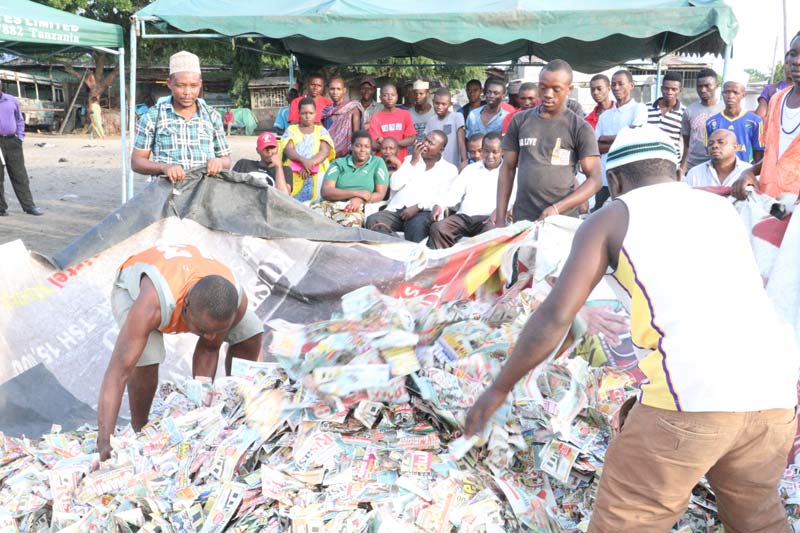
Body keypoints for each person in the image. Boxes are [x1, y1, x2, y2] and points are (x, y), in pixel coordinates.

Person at [465, 125, 800, 532]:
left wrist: (499, 388)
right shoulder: (720, 210)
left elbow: (555, 315)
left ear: (615, 180)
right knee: (758, 519)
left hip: (690, 397)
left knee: (628, 519)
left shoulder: (612, 217)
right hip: (773, 393)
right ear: (676, 171)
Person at [97, 244, 263, 461]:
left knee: (251, 330)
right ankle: (140, 427)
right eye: (204, 330)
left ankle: (237, 406)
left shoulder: (236, 301)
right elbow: (118, 372)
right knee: (147, 357)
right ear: (185, 306)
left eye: (218, 331)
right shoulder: (151, 304)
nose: (211, 337)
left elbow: (210, 349)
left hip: (192, 283)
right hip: (134, 291)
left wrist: (202, 414)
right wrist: (105, 442)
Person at [496, 60, 601, 225]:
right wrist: (500, 219)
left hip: (562, 221)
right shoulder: (519, 121)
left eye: (556, 89)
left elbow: (595, 179)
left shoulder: (580, 128)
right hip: (523, 220)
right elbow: (507, 169)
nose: (548, 94)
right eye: (543, 87)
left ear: (569, 89)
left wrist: (557, 208)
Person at [132, 51, 230, 183]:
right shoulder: (153, 116)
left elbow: (226, 160)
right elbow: (137, 162)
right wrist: (164, 167)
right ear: (169, 84)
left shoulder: (212, 116)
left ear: (200, 84)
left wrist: (218, 162)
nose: (187, 92)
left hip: (204, 190)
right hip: (167, 191)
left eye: (193, 86)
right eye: (180, 86)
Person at [732, 31, 800, 201]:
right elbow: (775, 156)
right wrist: (749, 172)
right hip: (769, 201)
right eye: (793, 54)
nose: (797, 61)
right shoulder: (777, 99)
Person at [365, 130, 458, 242]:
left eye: (430, 143)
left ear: (441, 149)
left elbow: (444, 198)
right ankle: (398, 246)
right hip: (398, 210)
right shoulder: (410, 159)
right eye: (425, 139)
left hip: (423, 213)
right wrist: (413, 162)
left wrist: (419, 206)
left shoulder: (449, 169)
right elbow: (394, 185)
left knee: (417, 227)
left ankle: (407, 250)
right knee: (372, 220)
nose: (425, 144)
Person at [428, 132, 508, 249]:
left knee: (491, 232)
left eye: (494, 152)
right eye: (486, 151)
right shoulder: (470, 169)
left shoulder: (509, 172)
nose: (490, 156)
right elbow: (454, 193)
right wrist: (440, 205)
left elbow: (511, 200)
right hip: (464, 218)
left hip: (488, 219)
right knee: (439, 228)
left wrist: (497, 214)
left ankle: (477, 262)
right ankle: (447, 260)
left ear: (503, 151)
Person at [594, 69, 648, 209]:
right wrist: (624, 138)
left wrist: (605, 138)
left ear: (631, 85)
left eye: (620, 84)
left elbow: (633, 139)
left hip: (629, 177)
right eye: (613, 84)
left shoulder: (639, 109)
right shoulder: (605, 116)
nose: (616, 88)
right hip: (605, 178)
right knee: (600, 215)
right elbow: (596, 147)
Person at [316, 130, 389, 227]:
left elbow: (380, 194)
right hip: (328, 205)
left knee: (351, 228)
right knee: (307, 221)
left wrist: (360, 200)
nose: (363, 150)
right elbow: (326, 191)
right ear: (351, 146)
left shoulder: (377, 163)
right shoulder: (339, 163)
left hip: (353, 209)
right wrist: (358, 193)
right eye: (358, 146)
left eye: (366, 146)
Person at [280, 97, 335, 202]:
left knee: (317, 204)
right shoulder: (291, 130)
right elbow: (288, 149)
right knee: (294, 204)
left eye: (310, 113)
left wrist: (310, 164)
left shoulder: (321, 130)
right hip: (295, 175)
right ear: (299, 114)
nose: (307, 116)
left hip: (318, 175)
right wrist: (303, 161)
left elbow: (325, 151)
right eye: (304, 113)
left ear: (315, 114)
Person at [0, 80, 42, 216]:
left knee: (20, 175)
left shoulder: (11, 100)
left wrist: (20, 137)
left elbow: (19, 119)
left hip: (13, 141)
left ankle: (29, 206)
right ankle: (1, 208)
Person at [705, 75, 764, 164]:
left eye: (735, 92)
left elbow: (759, 152)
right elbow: (708, 150)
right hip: (718, 170)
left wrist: (752, 171)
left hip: (745, 170)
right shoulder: (711, 122)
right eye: (727, 92)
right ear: (722, 93)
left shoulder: (755, 121)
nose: (730, 96)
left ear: (743, 95)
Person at [680, 68, 723, 174]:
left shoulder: (725, 110)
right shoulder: (689, 111)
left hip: (718, 167)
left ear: (717, 85)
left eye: (707, 86)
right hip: (694, 167)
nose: (703, 90)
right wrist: (683, 168)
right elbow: (687, 144)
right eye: (699, 86)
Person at [685, 129, 749, 188]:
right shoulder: (695, 173)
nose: (714, 146)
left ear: (735, 147)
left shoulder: (748, 172)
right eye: (710, 143)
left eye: (721, 142)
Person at [646, 71, 686, 162]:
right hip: (648, 162)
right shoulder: (646, 108)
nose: (669, 92)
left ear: (680, 90)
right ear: (661, 88)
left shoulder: (684, 113)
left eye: (674, 89)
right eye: (666, 88)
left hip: (672, 162)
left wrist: (683, 167)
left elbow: (687, 144)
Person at [368, 84, 416, 159]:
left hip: (402, 161)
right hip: (382, 162)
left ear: (397, 96)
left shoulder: (405, 115)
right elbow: (373, 144)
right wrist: (391, 146)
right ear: (380, 98)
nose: (390, 98)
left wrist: (392, 144)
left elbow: (412, 138)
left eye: (393, 95)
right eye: (385, 95)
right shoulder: (376, 118)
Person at [322, 77, 363, 157]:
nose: (335, 92)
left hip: (347, 155)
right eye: (332, 89)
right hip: (328, 153)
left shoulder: (353, 108)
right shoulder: (326, 111)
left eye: (338, 89)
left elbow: (356, 134)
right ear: (328, 90)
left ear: (344, 90)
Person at [426, 87, 466, 167]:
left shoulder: (457, 117)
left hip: (453, 164)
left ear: (450, 104)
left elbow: (461, 142)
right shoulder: (431, 120)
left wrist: (464, 160)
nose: (439, 107)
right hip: (435, 165)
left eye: (443, 104)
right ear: (433, 102)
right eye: (437, 103)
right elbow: (427, 142)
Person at [756, 52, 794, 120]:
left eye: (793, 63)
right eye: (787, 63)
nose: (788, 67)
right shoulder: (770, 89)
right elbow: (759, 117)